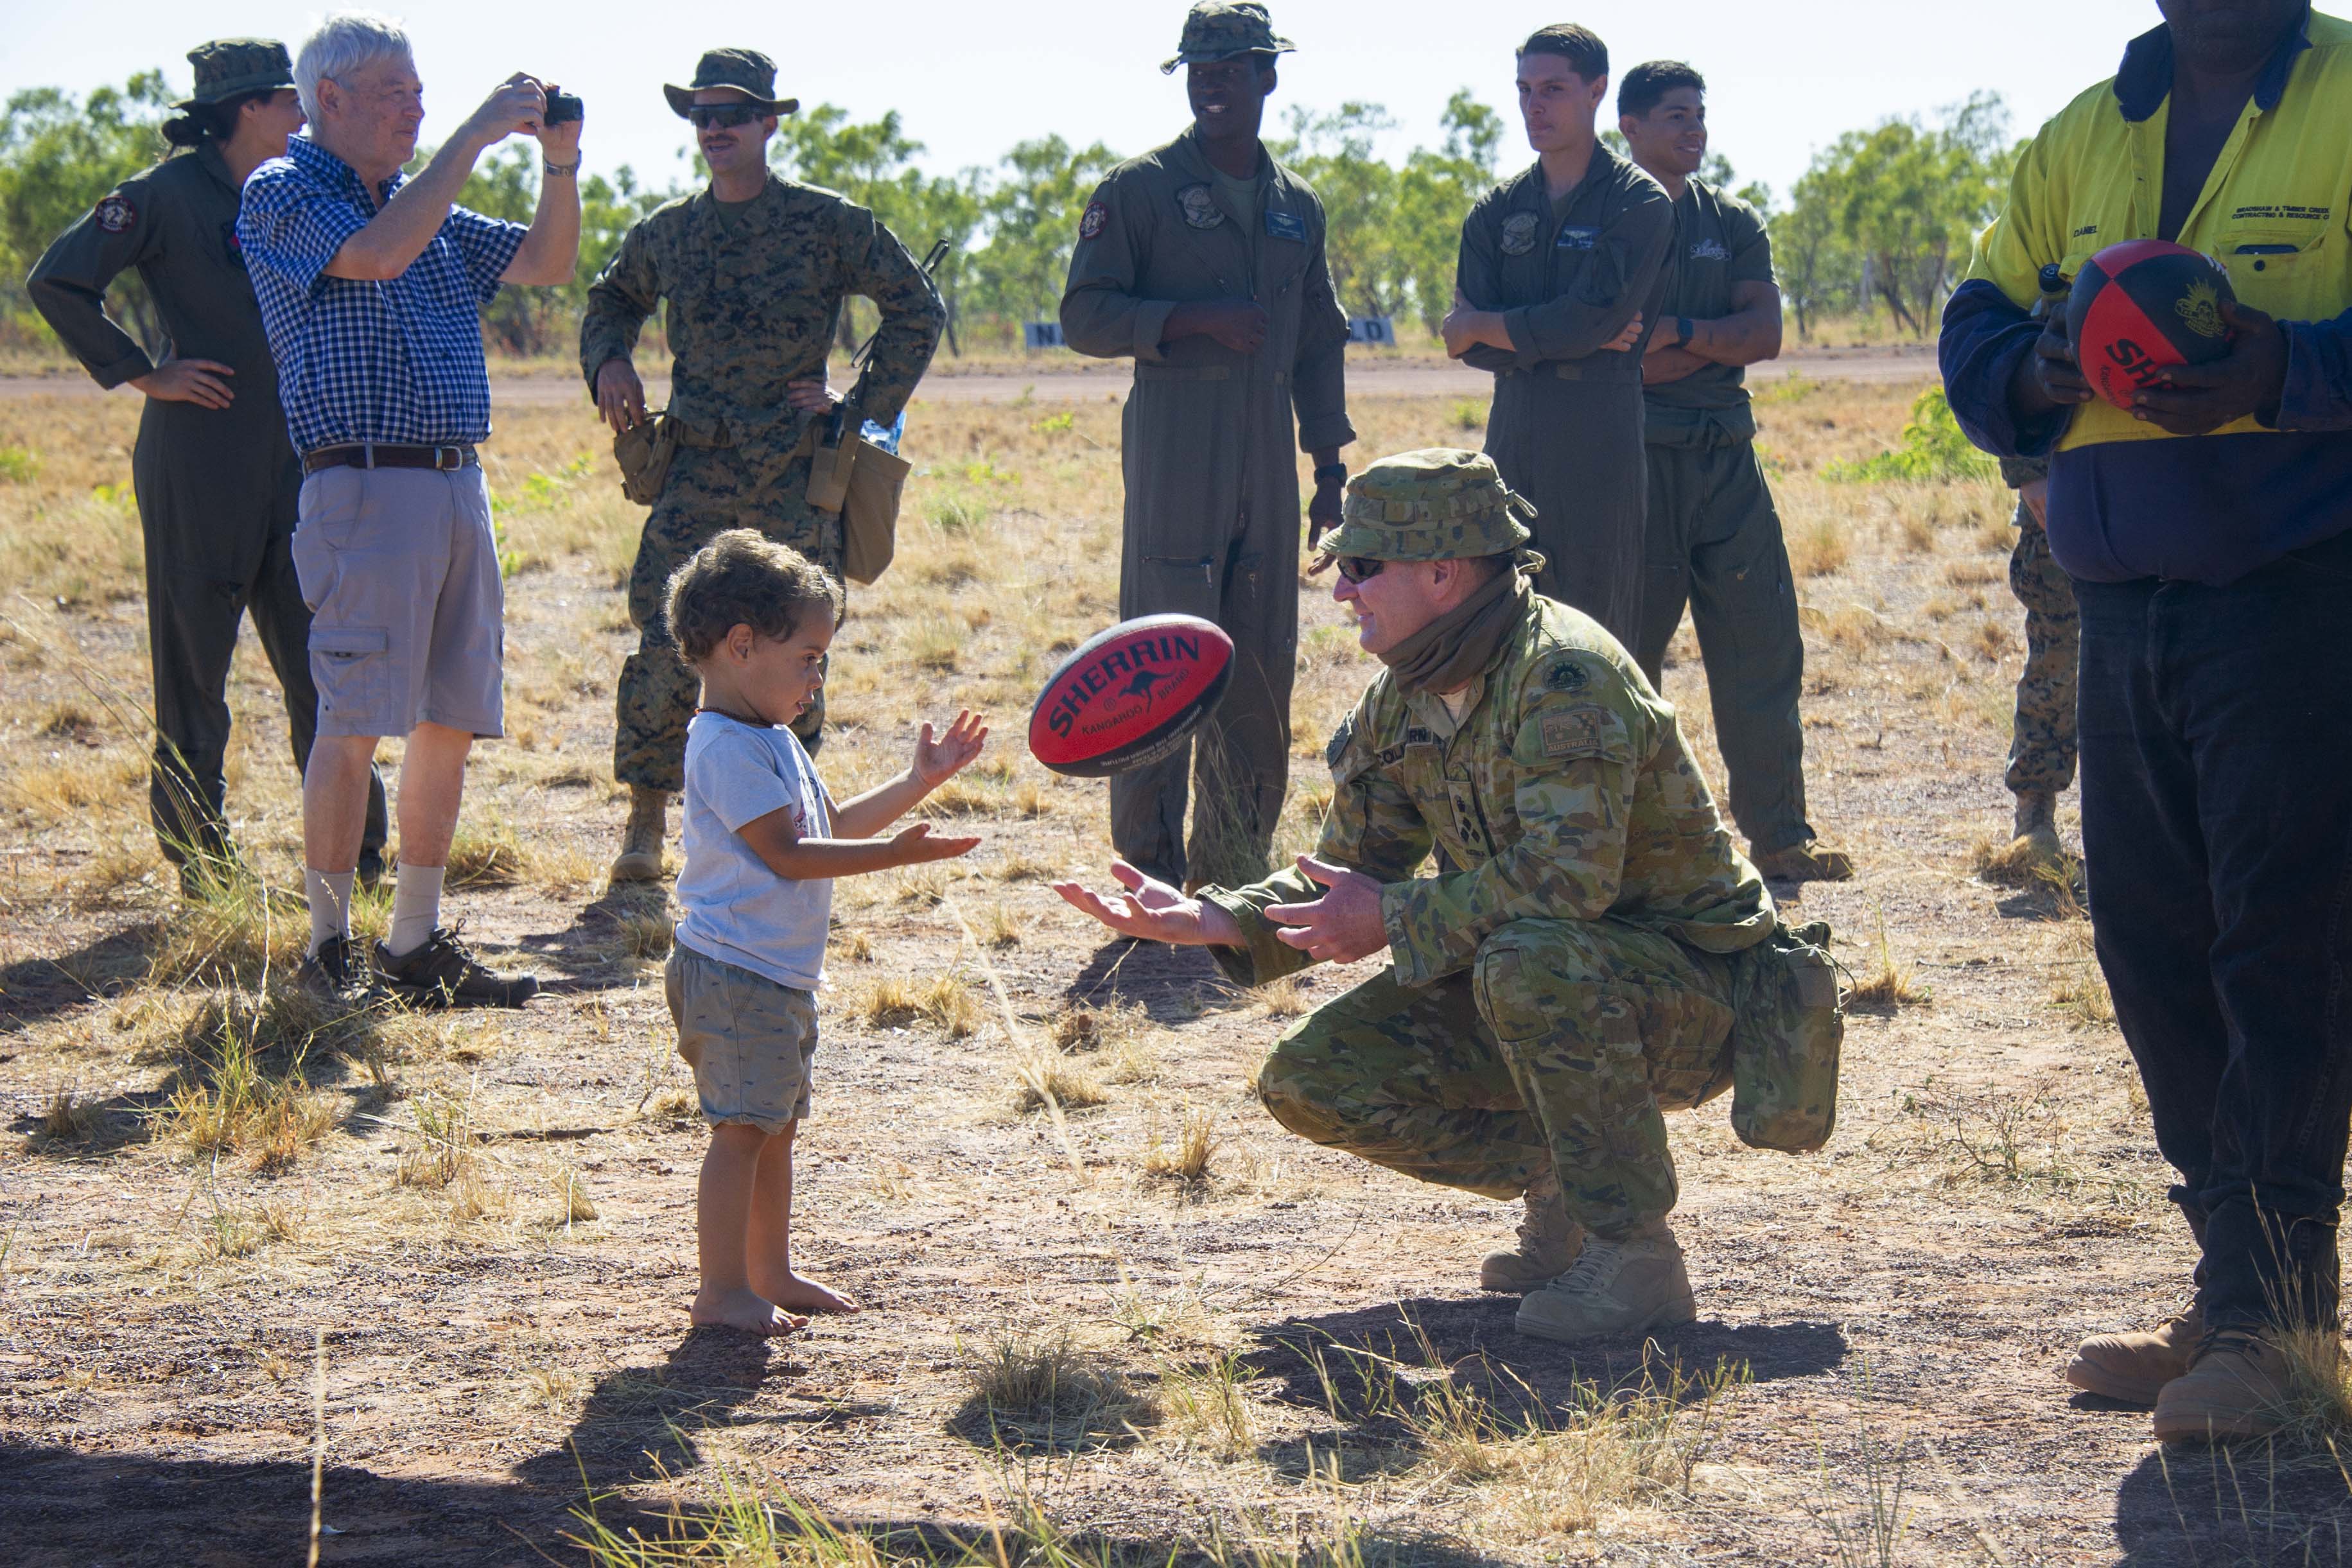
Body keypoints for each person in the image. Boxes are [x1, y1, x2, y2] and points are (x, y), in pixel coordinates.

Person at [1053, 449, 1779, 1341]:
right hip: (1556, 984)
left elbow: (1568, 880)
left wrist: (1391, 919)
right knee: (1309, 1079)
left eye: (1361, 568)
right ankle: (1570, 1184)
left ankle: (1635, 1255)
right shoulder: (1404, 694)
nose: (1339, 593)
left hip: (1694, 997)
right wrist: (1215, 916)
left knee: (1524, 957)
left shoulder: (1562, 678)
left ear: (1442, 572)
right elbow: (1352, 866)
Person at [1940, 0, 2352, 1442]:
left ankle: (2271, 1313)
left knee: (2278, 948)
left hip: (2295, 597)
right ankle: (2240, 1279)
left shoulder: (2348, 89)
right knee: (2151, 948)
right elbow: (1975, 317)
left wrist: (2283, 370)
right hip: (2119, 604)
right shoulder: (2083, 130)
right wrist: (2037, 376)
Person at [238, 12, 581, 1006]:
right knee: (352, 722)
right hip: (362, 481)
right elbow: (377, 255)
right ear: (327, 101)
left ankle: (415, 943)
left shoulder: (416, 202)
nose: (418, 110)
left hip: (450, 478)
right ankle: (328, 950)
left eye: (423, 93)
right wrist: (472, 138)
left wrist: (558, 166)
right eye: (397, 94)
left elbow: (546, 265)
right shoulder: (285, 189)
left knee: (447, 719)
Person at [25, 39, 388, 897]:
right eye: (289, 101)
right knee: (194, 671)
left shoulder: (311, 189)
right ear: (245, 108)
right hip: (198, 462)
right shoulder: (162, 195)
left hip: (303, 462)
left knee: (326, 667)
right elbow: (58, 282)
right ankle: (204, 869)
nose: (303, 115)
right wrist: (145, 370)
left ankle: (354, 866)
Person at [582, 48, 945, 884]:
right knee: (667, 643)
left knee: (796, 649)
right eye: (702, 115)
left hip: (791, 475)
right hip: (696, 470)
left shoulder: (825, 223)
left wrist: (858, 410)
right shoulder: (672, 232)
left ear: (767, 124)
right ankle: (645, 821)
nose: (715, 129)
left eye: (732, 115)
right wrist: (608, 360)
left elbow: (914, 307)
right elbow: (611, 298)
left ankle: (794, 827)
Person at [1059, 1, 1355, 891]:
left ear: (1267, 77)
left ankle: (1231, 867)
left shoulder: (1295, 208)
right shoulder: (1138, 190)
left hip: (1266, 445)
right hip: (1174, 439)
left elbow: (1318, 342)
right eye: (1198, 68)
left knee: (1259, 653)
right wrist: (1189, 320)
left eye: (1229, 67)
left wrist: (1330, 467)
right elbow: (1083, 316)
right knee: (1157, 652)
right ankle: (1148, 868)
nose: (1212, 82)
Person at [659, 530, 985, 1333]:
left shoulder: (769, 739)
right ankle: (721, 1292)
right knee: (741, 1133)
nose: (816, 676)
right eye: (807, 657)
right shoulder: (724, 745)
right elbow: (788, 854)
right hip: (736, 974)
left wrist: (915, 784)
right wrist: (893, 858)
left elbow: (826, 823)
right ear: (741, 647)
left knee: (773, 1129)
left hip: (771, 974)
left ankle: (768, 1272)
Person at [1616, 61, 1850, 885]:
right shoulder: (1606, 216)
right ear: (1630, 127)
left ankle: (1781, 837)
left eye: (1699, 116)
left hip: (1727, 460)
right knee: (1622, 659)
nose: (1695, 131)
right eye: (1676, 116)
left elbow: (1765, 334)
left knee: (1760, 650)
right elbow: (1619, 359)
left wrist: (1678, 329)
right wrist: (1702, 340)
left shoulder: (1733, 220)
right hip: (1636, 467)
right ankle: (1614, 844)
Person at [1442, 24, 1675, 650]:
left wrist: (1484, 326)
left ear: (1597, 91)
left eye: (1552, 89)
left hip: (1599, 434)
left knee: (1594, 629)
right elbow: (1474, 346)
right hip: (1514, 428)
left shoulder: (1639, 203)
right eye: (1523, 90)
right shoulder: (1495, 211)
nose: (1533, 106)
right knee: (1505, 618)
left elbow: (1587, 320)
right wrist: (1562, 331)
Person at [1995, 456, 2078, 865]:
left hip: (2172, 489)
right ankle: (2035, 811)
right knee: (2057, 663)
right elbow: (2003, 391)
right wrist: (2027, 471)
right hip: (2065, 489)